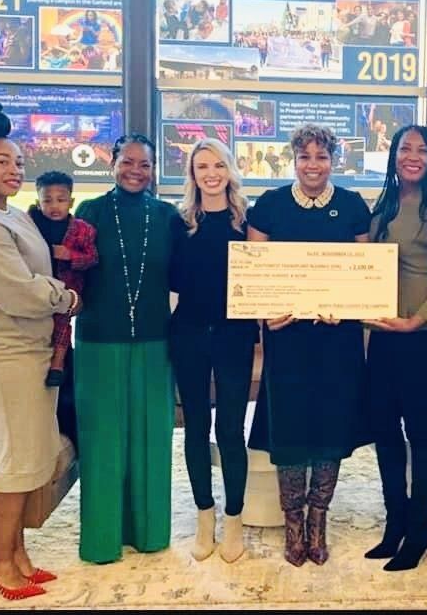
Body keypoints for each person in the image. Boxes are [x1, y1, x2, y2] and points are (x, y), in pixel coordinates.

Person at [0, 102, 80, 599]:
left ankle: (18, 551)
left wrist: (46, 291)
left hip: (31, 347)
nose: (13, 169)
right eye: (2, 160)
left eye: (19, 162)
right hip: (3, 350)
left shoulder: (14, 216)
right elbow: (21, 292)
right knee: (14, 456)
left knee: (31, 453)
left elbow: (33, 279)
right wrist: (64, 297)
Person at [247, 124, 371, 567]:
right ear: (293, 160)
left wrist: (350, 305)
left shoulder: (352, 205)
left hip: (337, 340)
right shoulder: (270, 204)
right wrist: (264, 313)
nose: (313, 165)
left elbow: (364, 269)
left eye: (321, 156)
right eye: (305, 157)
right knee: (290, 426)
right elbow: (254, 271)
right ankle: (293, 524)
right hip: (287, 340)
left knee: (330, 425)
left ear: (333, 160)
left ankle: (318, 521)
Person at [73, 133, 178, 564]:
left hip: (155, 338)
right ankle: (102, 541)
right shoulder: (90, 211)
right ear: (113, 163)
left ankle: (150, 533)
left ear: (154, 170)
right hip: (99, 340)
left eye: (145, 164)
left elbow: (188, 272)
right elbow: (69, 269)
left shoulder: (168, 216)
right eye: (128, 162)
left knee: (153, 438)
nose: (136, 171)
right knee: (102, 440)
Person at [364, 125, 427, 571]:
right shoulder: (383, 205)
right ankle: (396, 522)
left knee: (420, 432)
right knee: (385, 430)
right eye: (405, 148)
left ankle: (421, 526)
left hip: (425, 336)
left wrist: (415, 321)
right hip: (385, 335)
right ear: (393, 155)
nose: (412, 156)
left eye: (422, 150)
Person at [169, 139, 258, 563]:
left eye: (218, 165)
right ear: (192, 174)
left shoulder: (247, 219)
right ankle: (205, 517)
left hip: (234, 334)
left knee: (230, 429)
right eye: (202, 166)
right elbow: (169, 281)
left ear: (230, 170)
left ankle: (234, 519)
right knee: (196, 427)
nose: (211, 174)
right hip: (188, 333)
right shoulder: (180, 221)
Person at [28, 171, 98, 387]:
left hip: (68, 285)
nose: (54, 206)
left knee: (62, 320)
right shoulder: (31, 224)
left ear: (71, 202)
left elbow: (92, 258)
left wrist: (69, 255)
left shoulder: (82, 229)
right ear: (38, 203)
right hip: (38, 283)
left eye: (61, 200)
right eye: (47, 201)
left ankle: (58, 364)